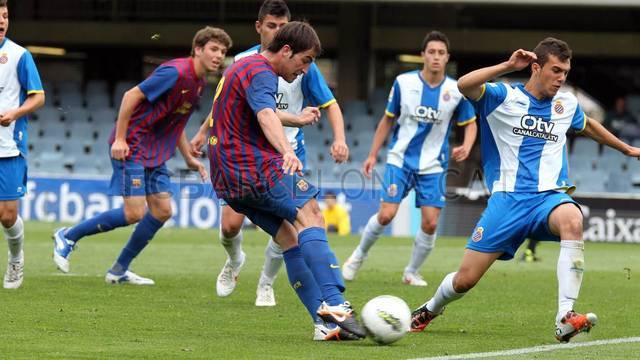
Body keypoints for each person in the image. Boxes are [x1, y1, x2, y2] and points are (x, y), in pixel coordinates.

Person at [410, 37, 640, 342]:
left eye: (565, 73)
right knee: (465, 281)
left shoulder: (566, 104)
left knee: (573, 217)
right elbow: (463, 85)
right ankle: (430, 308)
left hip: (548, 198)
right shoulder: (502, 97)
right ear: (536, 67)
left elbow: (587, 126)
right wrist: (507, 65)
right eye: (556, 70)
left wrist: (625, 149)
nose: (561, 78)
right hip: (507, 202)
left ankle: (565, 316)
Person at [206, 21, 364, 341]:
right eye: (304, 61)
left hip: (226, 177)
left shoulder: (243, 66)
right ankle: (336, 305)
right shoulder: (263, 72)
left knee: (289, 237)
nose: (305, 70)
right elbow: (265, 115)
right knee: (312, 215)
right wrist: (286, 150)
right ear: (287, 50)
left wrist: (296, 118)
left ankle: (325, 326)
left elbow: (255, 111)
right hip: (254, 166)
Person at [51, 27, 231, 285]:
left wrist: (188, 158)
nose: (219, 55)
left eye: (223, 52)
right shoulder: (175, 72)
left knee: (162, 211)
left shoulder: (199, 84)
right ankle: (68, 236)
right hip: (132, 147)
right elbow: (131, 95)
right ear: (198, 50)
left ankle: (118, 270)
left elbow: (175, 122)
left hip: (155, 154)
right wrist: (121, 138)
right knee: (134, 212)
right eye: (214, 49)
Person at [341, 31, 477, 286]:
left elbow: (470, 123)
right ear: (423, 55)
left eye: (441, 53)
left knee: (430, 222)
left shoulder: (455, 90)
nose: (436, 57)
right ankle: (358, 257)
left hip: (434, 165)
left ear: (447, 57)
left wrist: (467, 145)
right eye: (431, 52)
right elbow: (387, 120)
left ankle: (411, 271)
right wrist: (371, 154)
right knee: (386, 215)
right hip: (400, 160)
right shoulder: (403, 83)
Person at [0, 0, 45, 289]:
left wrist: (15, 113)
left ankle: (16, 259)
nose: (2, 21)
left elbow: (38, 96)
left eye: (4, 16)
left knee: (7, 215)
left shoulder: (19, 55)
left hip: (8, 147)